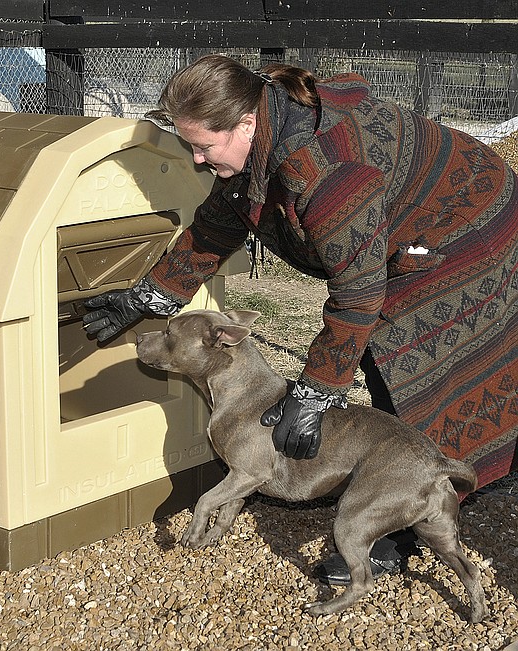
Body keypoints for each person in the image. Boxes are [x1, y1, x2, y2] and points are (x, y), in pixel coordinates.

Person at [82, 53, 518, 585]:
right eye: (188, 144)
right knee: (380, 352)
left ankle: (396, 524)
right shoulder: (263, 137)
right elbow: (221, 220)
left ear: (246, 123)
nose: (196, 160)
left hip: (463, 225)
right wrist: (153, 295)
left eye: (203, 145)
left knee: (413, 367)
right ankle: (425, 489)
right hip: (408, 220)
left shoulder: (326, 172)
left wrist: (315, 392)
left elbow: (357, 296)